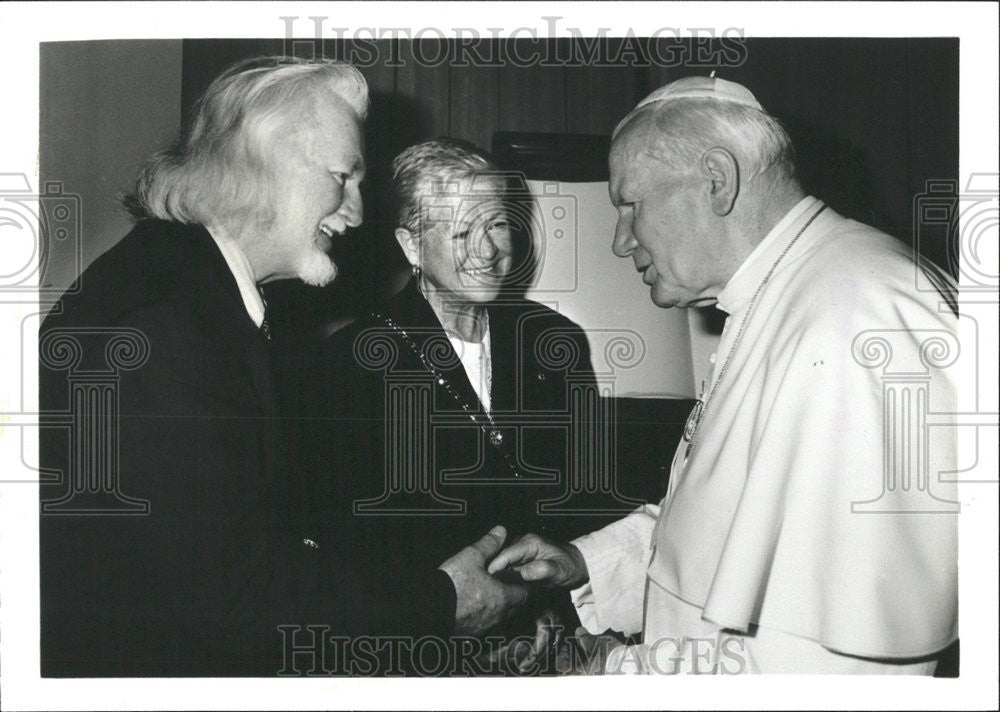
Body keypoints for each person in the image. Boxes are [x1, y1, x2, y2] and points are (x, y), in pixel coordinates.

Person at [38, 58, 521, 676]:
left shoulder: (182, 285)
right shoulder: (171, 326)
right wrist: (440, 602)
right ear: (265, 166)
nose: (355, 212)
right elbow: (228, 609)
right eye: (343, 177)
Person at [489, 76, 959, 674]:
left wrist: (604, 673)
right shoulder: (790, 292)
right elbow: (737, 521)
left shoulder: (858, 316)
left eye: (630, 204)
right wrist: (586, 563)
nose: (619, 238)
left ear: (717, 179)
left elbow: (829, 671)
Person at [292, 138, 599, 674]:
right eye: (460, 232)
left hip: (551, 649)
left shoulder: (555, 342)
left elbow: (585, 502)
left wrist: (552, 613)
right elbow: (342, 554)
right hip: (419, 659)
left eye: (497, 224)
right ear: (411, 246)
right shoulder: (346, 365)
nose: (486, 251)